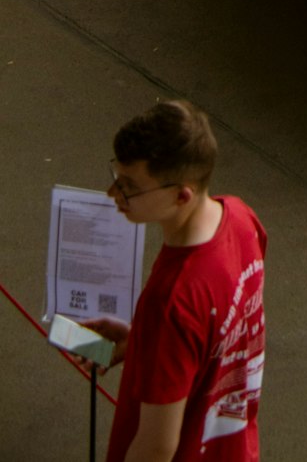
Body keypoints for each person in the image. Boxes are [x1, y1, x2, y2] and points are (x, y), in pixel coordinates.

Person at [85, 101, 266, 461]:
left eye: (129, 186)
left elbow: (156, 448)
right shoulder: (242, 219)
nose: (112, 194)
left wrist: (157, 335)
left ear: (181, 195)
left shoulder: (170, 301)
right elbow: (218, 326)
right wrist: (144, 344)